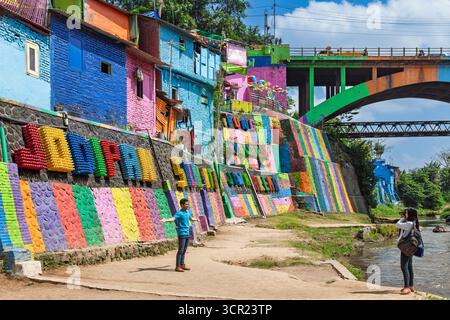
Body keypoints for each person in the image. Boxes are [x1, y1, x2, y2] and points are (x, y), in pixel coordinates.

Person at [162, 198, 198, 272]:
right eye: (186, 204)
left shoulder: (187, 212)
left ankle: (182, 264)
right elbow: (173, 218)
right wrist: (166, 220)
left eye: (188, 204)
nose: (187, 205)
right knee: (180, 250)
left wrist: (196, 219)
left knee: (184, 250)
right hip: (182, 233)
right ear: (181, 205)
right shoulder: (179, 213)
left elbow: (191, 218)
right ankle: (177, 266)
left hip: (187, 233)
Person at [396, 207, 420, 295]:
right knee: (409, 266)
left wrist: (402, 218)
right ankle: (411, 286)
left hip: (407, 247)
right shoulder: (413, 223)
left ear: (409, 215)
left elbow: (397, 224)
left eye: (405, 213)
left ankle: (407, 287)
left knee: (404, 266)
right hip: (411, 246)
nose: (404, 214)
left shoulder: (409, 223)